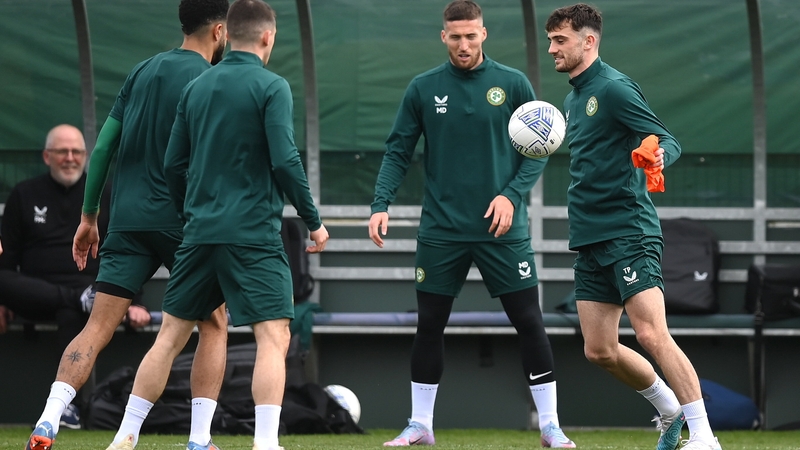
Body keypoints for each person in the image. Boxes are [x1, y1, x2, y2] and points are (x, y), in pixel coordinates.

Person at [114, 1, 328, 450]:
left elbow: (174, 164)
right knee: (274, 335)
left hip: (198, 234)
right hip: (252, 236)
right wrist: (313, 222)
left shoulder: (197, 86)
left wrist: (189, 212)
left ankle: (125, 438)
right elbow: (286, 161)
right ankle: (266, 444)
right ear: (267, 37)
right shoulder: (273, 87)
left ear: (226, 34)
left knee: (170, 337)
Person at [23, 2, 230, 450]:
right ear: (219, 30)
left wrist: (89, 215)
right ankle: (199, 441)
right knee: (214, 323)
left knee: (95, 328)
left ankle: (47, 421)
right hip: (183, 222)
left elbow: (101, 150)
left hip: (127, 220)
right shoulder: (213, 79)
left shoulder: (142, 71)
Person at [368, 1, 575, 447]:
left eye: (471, 35)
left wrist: (510, 195)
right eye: (455, 37)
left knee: (529, 322)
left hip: (503, 230)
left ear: (484, 34)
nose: (464, 44)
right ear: (443, 37)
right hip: (442, 230)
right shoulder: (423, 88)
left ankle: (550, 425)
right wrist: (380, 203)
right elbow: (398, 150)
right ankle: (421, 424)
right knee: (429, 324)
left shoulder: (513, 83)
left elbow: (538, 150)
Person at [544, 4, 721, 450]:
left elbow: (666, 138)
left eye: (560, 40)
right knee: (598, 350)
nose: (552, 49)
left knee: (650, 333)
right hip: (588, 238)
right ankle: (670, 410)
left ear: (589, 41)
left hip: (628, 232)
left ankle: (704, 436)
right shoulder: (572, 97)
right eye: (550, 40)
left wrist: (659, 156)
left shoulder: (615, 88)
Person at [0, 124, 150, 429]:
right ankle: (79, 301)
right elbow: (8, 260)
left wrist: (134, 301)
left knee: (74, 310)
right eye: (62, 151)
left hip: (92, 290)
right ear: (46, 156)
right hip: (36, 292)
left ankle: (67, 410)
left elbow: (129, 249)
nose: (70, 158)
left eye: (76, 152)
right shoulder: (24, 193)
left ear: (86, 156)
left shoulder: (105, 193)